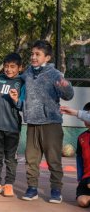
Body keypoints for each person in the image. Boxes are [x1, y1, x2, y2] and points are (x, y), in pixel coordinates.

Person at [12, 40, 74, 203]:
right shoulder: (28, 73)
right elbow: (15, 78)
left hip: (51, 124)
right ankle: (32, 188)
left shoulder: (55, 75)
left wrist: (65, 85)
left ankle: (56, 190)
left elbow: (68, 95)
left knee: (53, 159)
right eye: (32, 54)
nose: (33, 57)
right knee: (31, 159)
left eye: (37, 54)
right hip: (32, 122)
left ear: (47, 57)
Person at [0, 53, 24, 197]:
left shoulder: (22, 83)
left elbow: (22, 105)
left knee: (11, 158)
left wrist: (16, 100)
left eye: (12, 67)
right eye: (6, 66)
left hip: (13, 127)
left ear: (20, 68)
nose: (9, 69)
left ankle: (9, 184)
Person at [72, 102, 90, 207]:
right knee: (82, 202)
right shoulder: (81, 137)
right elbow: (79, 159)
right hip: (86, 177)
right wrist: (80, 178)